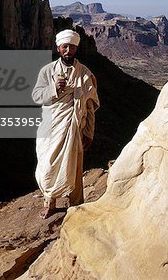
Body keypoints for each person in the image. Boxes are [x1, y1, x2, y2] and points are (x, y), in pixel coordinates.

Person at [32, 29, 99, 219]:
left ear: (76, 48)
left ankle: (76, 203)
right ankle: (49, 202)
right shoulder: (47, 71)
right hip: (50, 126)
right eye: (64, 46)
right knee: (46, 166)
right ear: (58, 48)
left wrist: (89, 132)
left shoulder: (85, 74)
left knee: (74, 167)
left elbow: (90, 107)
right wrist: (54, 88)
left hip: (74, 127)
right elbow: (37, 96)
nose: (68, 50)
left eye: (72, 47)